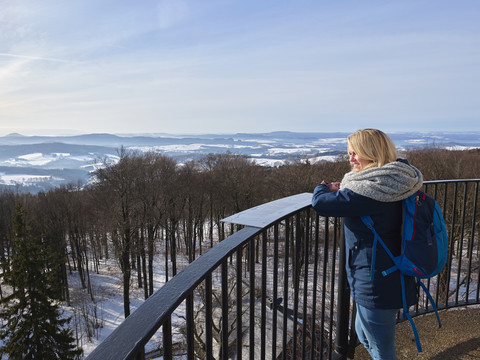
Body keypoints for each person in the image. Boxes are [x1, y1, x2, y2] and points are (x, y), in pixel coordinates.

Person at [311, 129, 423, 360]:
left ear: (372, 153)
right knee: (364, 334)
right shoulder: (399, 178)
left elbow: (320, 204)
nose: (350, 159)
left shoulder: (370, 191)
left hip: (377, 281)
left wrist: (323, 186)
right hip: (386, 271)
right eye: (349, 153)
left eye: (355, 153)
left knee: (381, 348)